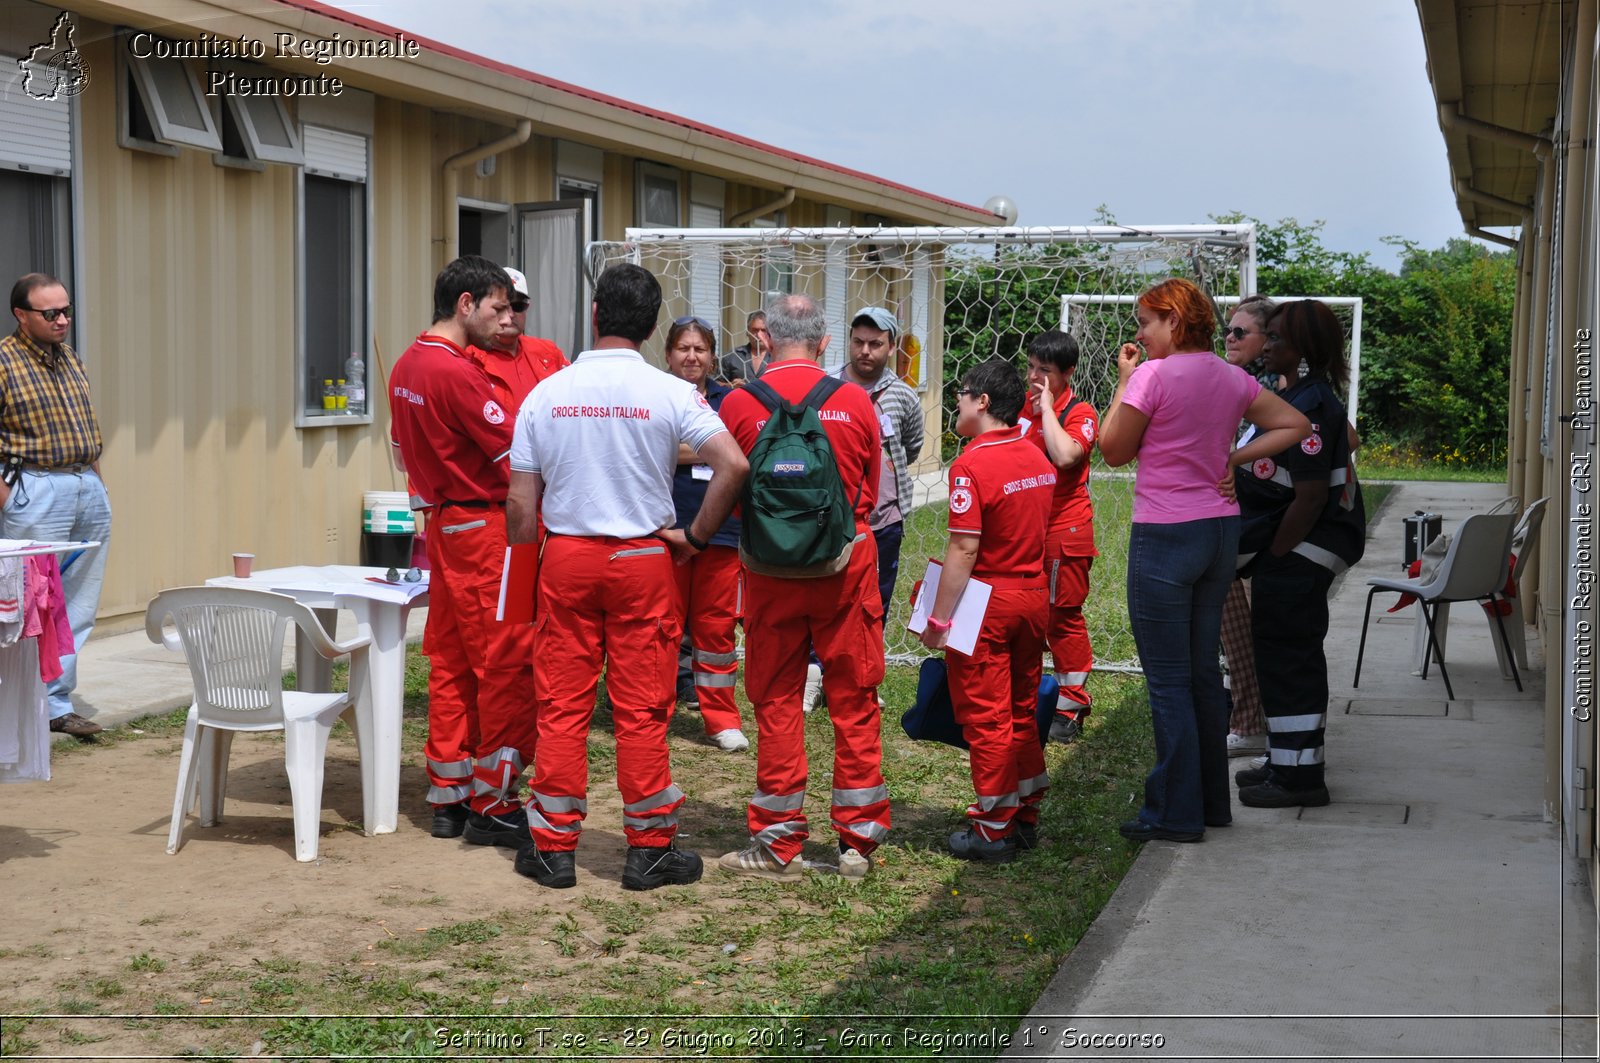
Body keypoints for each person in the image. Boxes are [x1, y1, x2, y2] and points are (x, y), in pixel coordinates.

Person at [506, 264, 748, 891]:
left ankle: (552, 848)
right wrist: (694, 539)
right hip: (643, 559)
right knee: (643, 710)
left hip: (566, 556)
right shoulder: (670, 392)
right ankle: (651, 848)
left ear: (594, 314)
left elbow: (521, 506)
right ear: (650, 327)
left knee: (562, 705)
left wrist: (531, 568)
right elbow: (733, 464)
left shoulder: (546, 392)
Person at [1098, 278, 1309, 843]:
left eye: (1147, 321)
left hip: (1165, 536)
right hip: (1219, 531)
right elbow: (1296, 424)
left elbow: (1113, 451)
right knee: (1198, 674)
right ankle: (1211, 804)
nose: (1140, 333)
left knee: (1167, 683)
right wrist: (1233, 456)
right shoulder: (1231, 375)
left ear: (1174, 321)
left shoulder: (1152, 375)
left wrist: (1123, 383)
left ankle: (1175, 813)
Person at [716, 293, 886, 881]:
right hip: (845, 569)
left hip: (768, 576)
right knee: (854, 698)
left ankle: (777, 840)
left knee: (777, 699)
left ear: (764, 339)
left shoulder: (738, 403)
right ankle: (857, 843)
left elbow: (730, 482)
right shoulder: (856, 402)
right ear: (824, 342)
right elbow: (868, 487)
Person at [388, 256, 537, 847]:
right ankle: (495, 802)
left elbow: (402, 453)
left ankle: (449, 796)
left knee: (450, 660)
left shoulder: (406, 364)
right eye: (499, 307)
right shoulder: (457, 373)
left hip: (444, 525)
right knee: (505, 663)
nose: (507, 320)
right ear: (465, 304)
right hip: (488, 529)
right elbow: (518, 456)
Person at [919, 359, 1055, 864]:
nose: (955, 401)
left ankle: (992, 828)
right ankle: (1024, 813)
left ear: (982, 402)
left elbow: (964, 549)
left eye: (962, 392)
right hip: (1032, 596)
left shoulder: (972, 464)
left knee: (987, 718)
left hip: (989, 603)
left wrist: (939, 619)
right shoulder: (1036, 455)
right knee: (1021, 709)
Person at [1233, 300, 1365, 808]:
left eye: (1277, 339)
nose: (1266, 346)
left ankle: (1300, 779)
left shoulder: (1311, 408)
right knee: (1280, 655)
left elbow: (1310, 497)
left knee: (1290, 658)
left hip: (1302, 552)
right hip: (1291, 552)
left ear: (1303, 350)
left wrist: (1280, 553)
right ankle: (1286, 759)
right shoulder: (1296, 395)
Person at [0, 274, 110, 738]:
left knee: (76, 605)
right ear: (21, 315)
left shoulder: (68, 358)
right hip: (35, 489)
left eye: (66, 311)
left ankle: (56, 704)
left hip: (86, 486)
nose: (62, 320)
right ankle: (15, 707)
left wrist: (98, 487)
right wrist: (9, 498)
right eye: (51, 314)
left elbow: (85, 426)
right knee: (25, 606)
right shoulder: (4, 362)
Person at [802, 306, 923, 713]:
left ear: (891, 346)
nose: (865, 351)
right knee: (822, 597)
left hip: (883, 518)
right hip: (827, 516)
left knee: (875, 600)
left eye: (875, 344)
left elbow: (912, 445)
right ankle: (816, 674)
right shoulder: (825, 386)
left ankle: (863, 675)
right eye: (858, 342)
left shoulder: (904, 395)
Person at [663, 315, 749, 752]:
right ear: (668, 354)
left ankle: (721, 719)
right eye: (683, 348)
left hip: (720, 531)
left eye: (700, 349)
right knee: (662, 627)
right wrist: (714, 448)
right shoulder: (653, 395)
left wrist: (678, 447)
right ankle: (652, 711)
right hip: (665, 529)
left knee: (716, 632)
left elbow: (737, 449)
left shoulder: (731, 400)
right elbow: (652, 448)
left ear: (713, 355)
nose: (692, 356)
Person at [1023, 329, 1098, 744]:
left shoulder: (1080, 411)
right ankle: (1031, 695)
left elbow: (1066, 455)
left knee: (1060, 618)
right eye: (1031, 367)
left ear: (1067, 373)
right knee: (1026, 616)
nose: (1034, 378)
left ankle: (1070, 704)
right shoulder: (1018, 406)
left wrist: (1048, 409)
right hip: (1023, 529)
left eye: (1045, 372)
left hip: (1062, 530)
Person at [1219, 295, 1277, 758]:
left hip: (1263, 536)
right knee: (1236, 628)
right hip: (1244, 530)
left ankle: (1250, 720)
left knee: (1251, 633)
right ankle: (1249, 715)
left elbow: (1344, 438)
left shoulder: (1274, 388)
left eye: (1241, 332)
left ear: (1268, 339)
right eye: (1229, 330)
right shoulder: (1248, 384)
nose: (1230, 338)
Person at [469, 265, 568, 411]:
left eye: (518, 305)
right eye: (501, 306)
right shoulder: (470, 357)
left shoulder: (548, 351)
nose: (510, 314)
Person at [719, 311, 770, 386]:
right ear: (747, 331)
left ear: (770, 332)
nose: (759, 335)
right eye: (755, 330)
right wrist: (730, 385)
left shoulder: (778, 357)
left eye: (763, 330)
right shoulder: (732, 356)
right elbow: (714, 383)